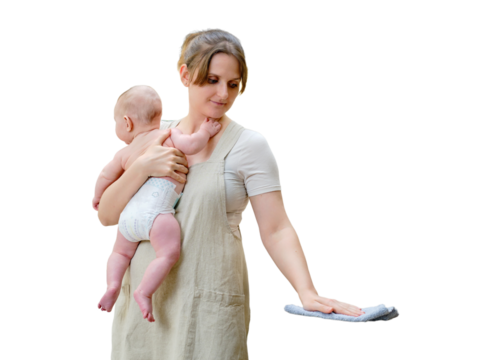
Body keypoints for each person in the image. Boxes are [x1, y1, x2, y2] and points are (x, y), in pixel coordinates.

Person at [95, 27, 365, 360]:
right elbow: (107, 216)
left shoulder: (249, 145)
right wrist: (142, 167)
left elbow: (276, 227)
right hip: (142, 320)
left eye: (233, 84)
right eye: (211, 80)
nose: (223, 94)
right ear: (184, 74)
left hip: (207, 314)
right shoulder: (154, 137)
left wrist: (307, 291)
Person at [92, 84, 221, 322]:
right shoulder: (170, 135)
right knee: (168, 254)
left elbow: (105, 175)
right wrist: (206, 131)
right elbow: (193, 145)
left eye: (115, 123)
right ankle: (144, 291)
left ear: (127, 123)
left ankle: (112, 286)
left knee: (119, 253)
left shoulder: (124, 152)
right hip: (156, 213)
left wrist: (97, 196)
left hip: (129, 218)